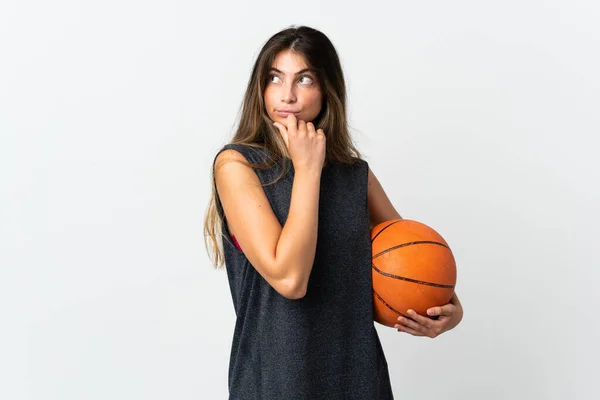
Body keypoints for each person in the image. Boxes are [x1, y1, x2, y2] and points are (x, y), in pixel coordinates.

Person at [204, 25, 463, 400]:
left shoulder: (355, 175)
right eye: (275, 78)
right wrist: (308, 169)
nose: (287, 95)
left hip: (358, 379)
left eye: (304, 79)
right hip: (276, 382)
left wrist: (449, 311)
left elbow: (412, 260)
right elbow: (290, 280)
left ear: (327, 90)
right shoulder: (238, 165)